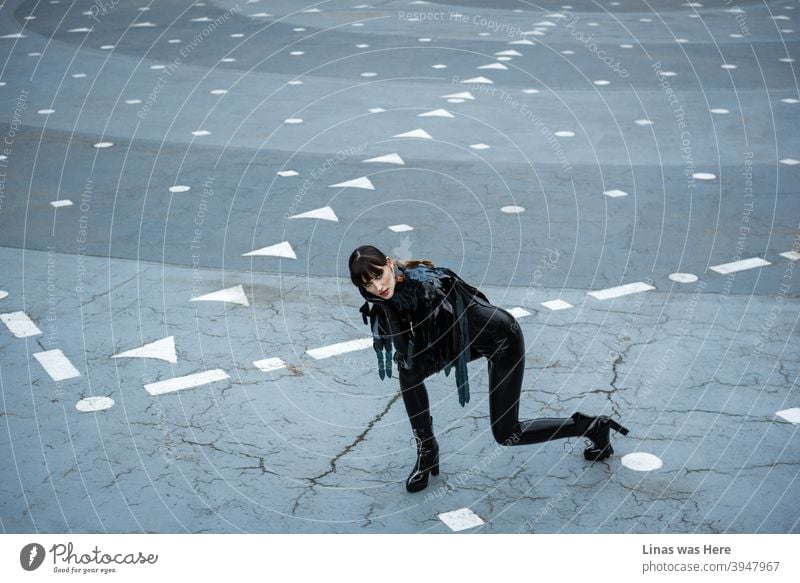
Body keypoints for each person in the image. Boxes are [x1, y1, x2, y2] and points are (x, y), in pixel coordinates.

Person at [349, 245, 629, 493]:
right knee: (408, 371)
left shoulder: (426, 287)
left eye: (378, 276)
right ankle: (427, 449)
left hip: (501, 339)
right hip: (466, 341)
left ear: (389, 263)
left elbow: (429, 344)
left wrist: (395, 321)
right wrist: (385, 307)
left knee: (508, 433)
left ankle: (592, 427)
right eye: (368, 284)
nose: (378, 287)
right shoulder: (382, 297)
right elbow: (405, 350)